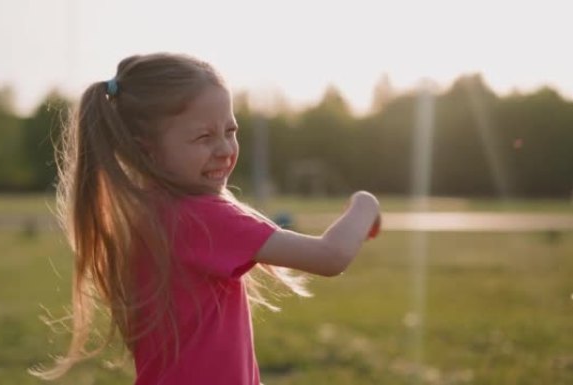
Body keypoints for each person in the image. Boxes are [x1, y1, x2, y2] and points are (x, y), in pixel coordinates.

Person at [31, 53, 381, 384]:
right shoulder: (200, 217)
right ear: (144, 149)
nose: (225, 150)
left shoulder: (146, 213)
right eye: (204, 136)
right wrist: (365, 205)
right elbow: (330, 256)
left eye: (230, 131)